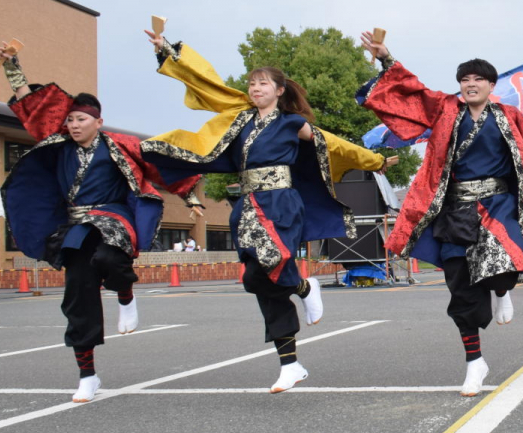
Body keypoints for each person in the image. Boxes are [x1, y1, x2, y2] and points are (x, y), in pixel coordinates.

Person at [141, 29, 394, 394]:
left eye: (262, 83)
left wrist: (374, 160)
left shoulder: (292, 123)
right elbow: (207, 85)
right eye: (251, 83)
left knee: (274, 261)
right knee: (257, 281)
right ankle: (291, 358)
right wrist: (168, 52)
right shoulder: (239, 119)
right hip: (247, 206)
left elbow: (333, 144)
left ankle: (303, 290)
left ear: (279, 90)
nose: (255, 88)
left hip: (281, 203)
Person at [357, 30, 523, 397]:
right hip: (456, 209)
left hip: (498, 206)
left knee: (504, 265)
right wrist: (386, 59)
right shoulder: (446, 110)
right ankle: (475, 362)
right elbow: (413, 93)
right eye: (465, 80)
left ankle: (502, 289)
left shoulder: (509, 116)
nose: (471, 84)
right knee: (460, 285)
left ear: (491, 85)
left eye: (478, 79)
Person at [0, 45, 202, 403]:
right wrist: (12, 67)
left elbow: (160, 165)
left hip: (113, 217)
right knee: (78, 297)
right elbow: (33, 107)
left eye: (81, 119)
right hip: (77, 226)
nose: (74, 125)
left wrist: (190, 196)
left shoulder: (119, 145)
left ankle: (125, 295)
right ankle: (88, 375)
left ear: (98, 121)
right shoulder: (59, 144)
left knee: (109, 258)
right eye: (70, 120)